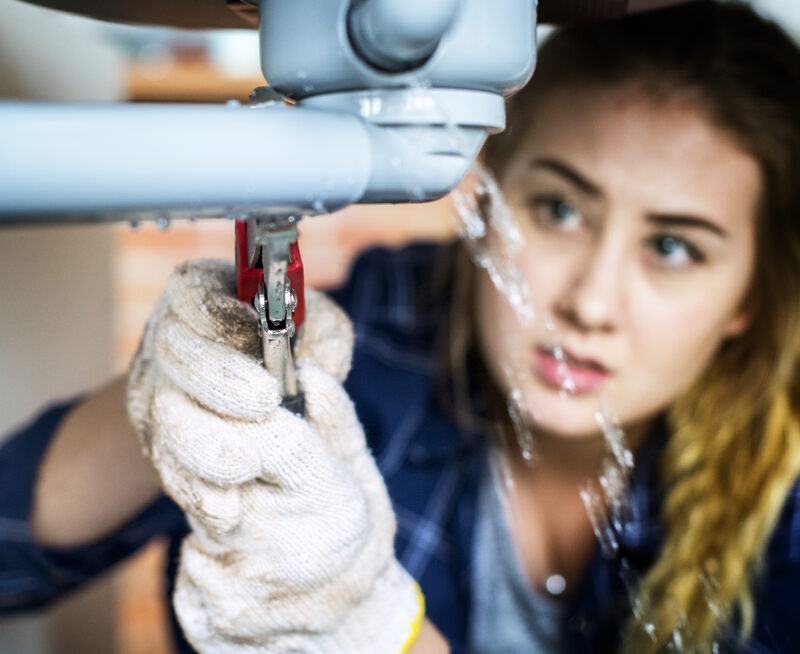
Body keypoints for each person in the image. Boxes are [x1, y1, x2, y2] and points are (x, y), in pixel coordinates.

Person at [2, 1, 799, 652]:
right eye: (558, 209)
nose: (590, 302)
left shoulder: (785, 497)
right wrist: (153, 401)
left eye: (672, 247)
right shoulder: (383, 329)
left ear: (749, 299)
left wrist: (383, 635)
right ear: (490, 196)